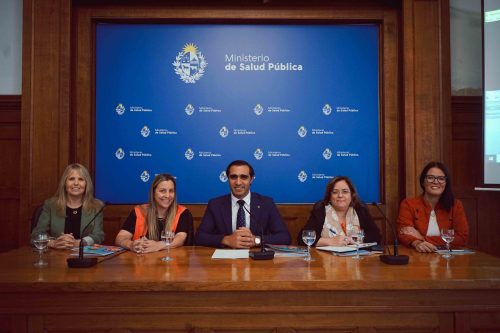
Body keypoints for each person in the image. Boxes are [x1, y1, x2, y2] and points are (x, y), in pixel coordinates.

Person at [195, 160, 291, 248]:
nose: (238, 182)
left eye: (243, 177)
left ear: (251, 179)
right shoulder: (215, 204)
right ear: (227, 179)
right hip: (225, 261)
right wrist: (226, 240)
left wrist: (256, 240)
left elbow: (285, 237)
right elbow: (200, 237)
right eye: (233, 177)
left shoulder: (266, 203)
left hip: (257, 262)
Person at [397, 161, 469, 253]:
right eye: (430, 178)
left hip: (448, 258)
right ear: (423, 182)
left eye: (441, 178)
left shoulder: (455, 205)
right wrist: (417, 243)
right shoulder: (408, 204)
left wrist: (421, 238)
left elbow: (462, 237)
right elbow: (403, 233)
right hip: (418, 256)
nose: (436, 182)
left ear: (446, 183)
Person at [31, 163, 105, 249]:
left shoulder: (96, 206)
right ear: (64, 183)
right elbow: (36, 235)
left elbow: (98, 236)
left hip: (84, 256)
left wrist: (80, 243)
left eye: (81, 179)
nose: (76, 183)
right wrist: (54, 243)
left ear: (86, 184)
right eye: (71, 179)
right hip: (55, 256)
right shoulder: (51, 205)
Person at [115, 173, 194, 253]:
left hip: (171, 262)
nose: (167, 195)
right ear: (153, 193)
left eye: (171, 191)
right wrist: (131, 244)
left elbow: (180, 239)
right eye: (162, 191)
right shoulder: (139, 211)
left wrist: (159, 245)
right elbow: (120, 237)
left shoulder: (183, 212)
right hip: (143, 262)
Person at [298, 176, 381, 247]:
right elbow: (302, 238)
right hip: (327, 262)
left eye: (345, 192)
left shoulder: (360, 210)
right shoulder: (321, 211)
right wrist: (330, 241)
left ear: (352, 195)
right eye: (335, 192)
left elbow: (376, 236)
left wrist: (357, 240)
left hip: (356, 261)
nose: (340, 195)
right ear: (330, 196)